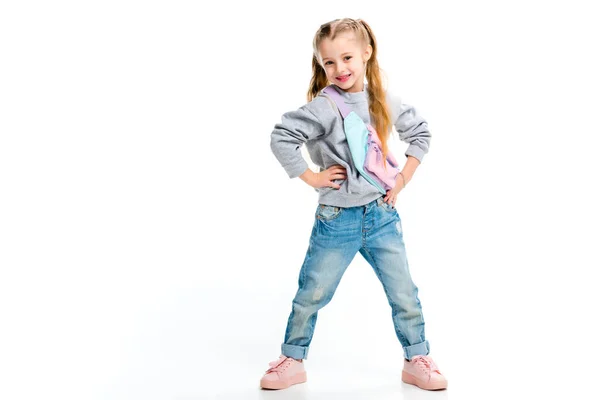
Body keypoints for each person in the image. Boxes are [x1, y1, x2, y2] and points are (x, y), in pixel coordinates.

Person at [261, 18, 448, 391]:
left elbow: (421, 133)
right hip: (337, 219)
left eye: (347, 57)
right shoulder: (324, 107)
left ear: (366, 54)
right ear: (321, 64)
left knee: (404, 293)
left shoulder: (382, 100)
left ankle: (416, 358)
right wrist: (312, 177)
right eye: (329, 62)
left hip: (381, 216)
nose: (339, 69)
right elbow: (282, 136)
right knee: (312, 292)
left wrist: (402, 178)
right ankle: (292, 358)